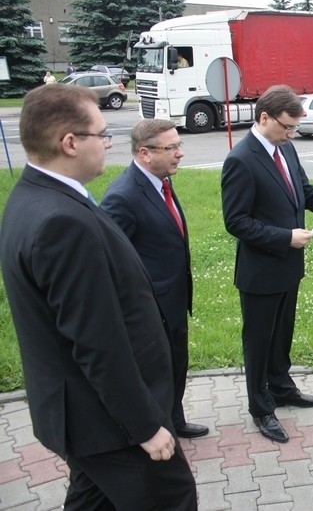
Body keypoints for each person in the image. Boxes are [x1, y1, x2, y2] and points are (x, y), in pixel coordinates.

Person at [0, 84, 196, 509]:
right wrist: (145, 426)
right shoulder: (60, 222)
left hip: (84, 414)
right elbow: (97, 341)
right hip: (108, 421)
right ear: (69, 143)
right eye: (102, 134)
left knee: (93, 502)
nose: (109, 143)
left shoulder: (34, 197)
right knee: (172, 497)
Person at [221, 85, 313, 444]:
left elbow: (304, 191)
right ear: (264, 117)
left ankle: (281, 388)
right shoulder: (241, 159)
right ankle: (260, 407)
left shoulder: (286, 148)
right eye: (287, 127)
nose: (291, 134)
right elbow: (236, 221)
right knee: (259, 341)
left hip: (289, 266)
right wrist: (285, 237)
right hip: (261, 270)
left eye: (295, 129)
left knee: (282, 335)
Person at [100, 119, 209, 440]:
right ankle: (154, 434)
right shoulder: (123, 196)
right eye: (172, 147)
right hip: (149, 310)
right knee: (155, 376)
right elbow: (111, 261)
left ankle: (174, 419)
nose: (180, 154)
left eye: (180, 145)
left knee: (176, 367)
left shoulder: (161, 181)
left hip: (173, 302)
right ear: (145, 153)